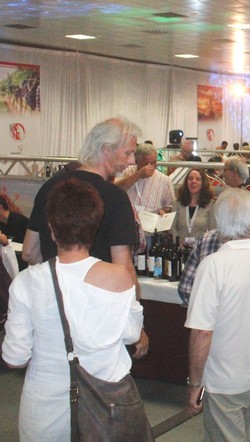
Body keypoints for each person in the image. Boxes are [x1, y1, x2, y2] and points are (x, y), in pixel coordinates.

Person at [3, 178, 145, 440]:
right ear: (94, 226)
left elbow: (16, 357)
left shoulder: (27, 282)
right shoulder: (120, 277)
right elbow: (132, 334)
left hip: (45, 409)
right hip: (106, 408)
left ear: (51, 228)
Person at [21, 116, 147, 358]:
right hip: (99, 319)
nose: (132, 161)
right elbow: (124, 268)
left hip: (53, 313)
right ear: (106, 149)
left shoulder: (49, 188)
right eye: (128, 153)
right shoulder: (115, 197)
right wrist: (137, 324)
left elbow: (29, 252)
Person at [184, 189, 250, 440]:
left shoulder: (213, 266)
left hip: (224, 383)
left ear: (218, 223)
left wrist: (195, 384)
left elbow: (202, 332)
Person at [116, 142, 175, 214]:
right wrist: (138, 175)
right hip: (126, 217)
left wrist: (162, 212)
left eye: (154, 162)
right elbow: (114, 190)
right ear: (137, 161)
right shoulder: (126, 171)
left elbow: (169, 206)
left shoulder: (165, 180)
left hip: (151, 219)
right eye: (146, 164)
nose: (151, 166)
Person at [171, 169, 216, 243]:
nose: (193, 181)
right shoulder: (177, 203)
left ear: (203, 184)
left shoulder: (211, 204)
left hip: (201, 246)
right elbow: (172, 227)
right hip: (179, 246)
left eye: (198, 179)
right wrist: (178, 242)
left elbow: (213, 230)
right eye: (190, 178)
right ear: (186, 182)